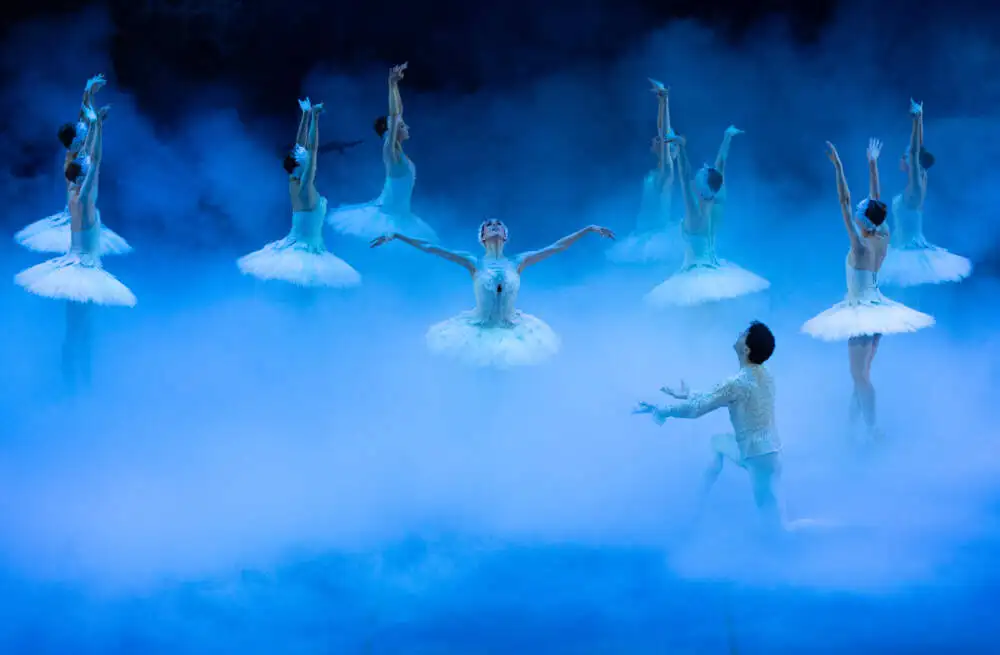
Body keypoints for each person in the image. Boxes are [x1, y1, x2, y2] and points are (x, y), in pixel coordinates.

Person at [802, 140, 934, 440]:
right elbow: (873, 200)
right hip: (877, 309)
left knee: (858, 375)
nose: (860, 208)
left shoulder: (860, 245)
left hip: (862, 311)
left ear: (862, 222)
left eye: (860, 212)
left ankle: (873, 430)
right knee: (861, 375)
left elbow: (844, 202)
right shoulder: (883, 234)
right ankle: (851, 426)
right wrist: (872, 165)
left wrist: (838, 167)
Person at [369, 219, 614, 367]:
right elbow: (433, 248)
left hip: (512, 333)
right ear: (483, 236)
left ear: (505, 235)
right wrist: (398, 235)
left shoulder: (519, 260)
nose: (494, 227)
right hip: (477, 333)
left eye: (499, 225)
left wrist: (588, 229)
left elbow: (556, 247)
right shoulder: (473, 261)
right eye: (489, 226)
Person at [632, 322, 788, 532]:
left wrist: (662, 410)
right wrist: (687, 394)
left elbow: (697, 409)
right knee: (717, 442)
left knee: (778, 532)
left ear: (746, 349)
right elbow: (715, 397)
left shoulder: (737, 383)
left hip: (759, 458)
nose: (739, 333)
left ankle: (838, 528)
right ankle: (698, 503)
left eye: (744, 334)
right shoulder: (764, 374)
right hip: (763, 451)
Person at [237, 99, 361, 289]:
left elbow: (301, 147)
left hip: (305, 247)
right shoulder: (305, 185)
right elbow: (311, 149)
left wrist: (305, 115)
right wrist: (315, 118)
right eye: (305, 161)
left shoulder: (293, 181)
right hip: (306, 253)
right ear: (302, 165)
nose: (309, 160)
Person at [645, 132, 769, 307]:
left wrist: (681, 149)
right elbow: (721, 164)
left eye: (700, 174)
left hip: (695, 275)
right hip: (713, 268)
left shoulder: (695, 213)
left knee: (699, 316)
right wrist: (727, 137)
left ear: (702, 185)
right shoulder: (718, 203)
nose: (697, 173)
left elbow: (683, 177)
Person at [15, 74, 131, 257]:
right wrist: (97, 123)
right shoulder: (76, 156)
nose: (83, 132)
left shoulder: (77, 149)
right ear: (74, 141)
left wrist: (88, 92)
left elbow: (84, 118)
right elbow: (90, 137)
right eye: (80, 134)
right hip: (79, 211)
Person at [328, 63, 438, 242]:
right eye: (402, 126)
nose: (407, 126)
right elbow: (395, 115)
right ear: (389, 131)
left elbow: (398, 114)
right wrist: (392, 84)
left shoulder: (400, 154)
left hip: (403, 216)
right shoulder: (389, 149)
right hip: (388, 216)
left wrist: (395, 86)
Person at [879, 99, 972, 287]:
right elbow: (917, 150)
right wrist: (919, 119)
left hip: (908, 255)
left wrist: (917, 119)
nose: (902, 158)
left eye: (904, 156)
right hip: (900, 249)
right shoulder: (921, 178)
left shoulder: (916, 185)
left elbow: (914, 152)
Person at [607, 79, 679, 264]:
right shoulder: (654, 173)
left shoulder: (667, 172)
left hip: (656, 239)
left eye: (662, 142)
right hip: (641, 233)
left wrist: (664, 101)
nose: (656, 140)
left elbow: (664, 133)